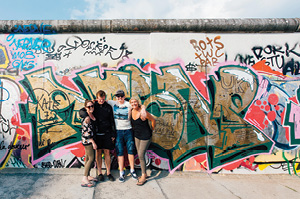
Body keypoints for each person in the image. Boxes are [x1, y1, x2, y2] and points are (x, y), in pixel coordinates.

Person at [80, 90, 116, 182]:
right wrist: (86, 115)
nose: (101, 101)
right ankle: (99, 173)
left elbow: (112, 120)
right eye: (100, 99)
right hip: (97, 134)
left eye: (103, 99)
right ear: (97, 98)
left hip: (107, 133)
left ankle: (108, 173)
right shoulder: (93, 106)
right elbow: (82, 111)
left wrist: (113, 133)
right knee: (98, 153)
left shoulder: (108, 107)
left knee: (107, 153)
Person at [107, 90, 137, 183]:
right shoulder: (113, 103)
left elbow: (139, 106)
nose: (119, 98)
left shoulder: (128, 104)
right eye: (118, 96)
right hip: (118, 131)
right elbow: (101, 100)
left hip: (128, 130)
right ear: (115, 97)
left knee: (130, 150)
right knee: (120, 152)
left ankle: (132, 170)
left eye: (121, 96)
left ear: (124, 97)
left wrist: (143, 108)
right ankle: (121, 172)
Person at [130, 98, 156, 186]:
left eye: (135, 102)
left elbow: (153, 120)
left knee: (141, 155)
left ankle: (144, 175)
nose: (134, 104)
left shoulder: (143, 112)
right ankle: (144, 173)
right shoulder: (131, 111)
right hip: (137, 136)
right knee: (140, 155)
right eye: (132, 102)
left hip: (145, 136)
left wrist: (152, 130)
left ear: (138, 103)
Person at [81, 99, 98, 187]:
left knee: (88, 158)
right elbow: (86, 132)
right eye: (89, 106)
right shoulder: (87, 118)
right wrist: (93, 142)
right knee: (91, 159)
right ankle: (84, 178)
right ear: (85, 108)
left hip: (90, 140)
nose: (91, 107)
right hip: (88, 141)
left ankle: (87, 175)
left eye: (92, 106)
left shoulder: (91, 115)